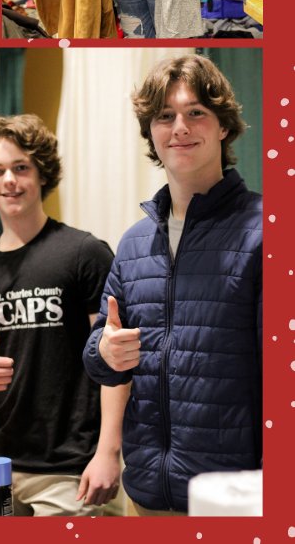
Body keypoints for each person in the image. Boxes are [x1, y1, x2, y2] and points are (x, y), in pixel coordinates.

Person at [83, 55, 262, 516]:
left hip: (234, 501)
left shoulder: (265, 230)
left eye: (196, 112)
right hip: (144, 495)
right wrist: (104, 351)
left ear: (223, 127)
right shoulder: (133, 243)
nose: (180, 127)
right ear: (152, 135)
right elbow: (102, 352)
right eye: (165, 116)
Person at [0, 114, 119, 516]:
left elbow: (116, 366)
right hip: (0, 465)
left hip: (72, 469)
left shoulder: (84, 253)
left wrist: (110, 451)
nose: (9, 180)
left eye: (21, 168)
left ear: (42, 173)